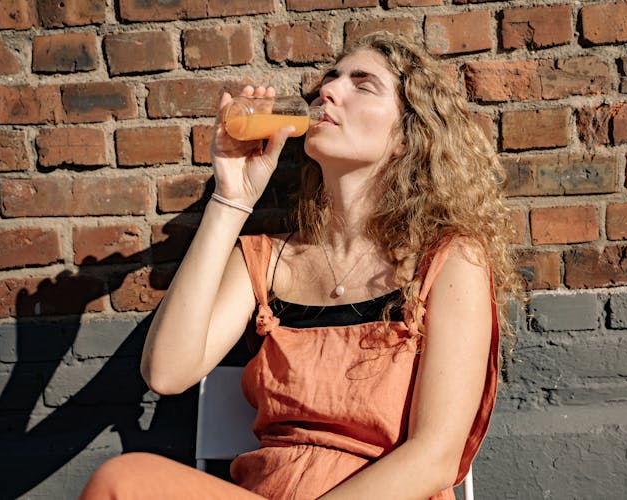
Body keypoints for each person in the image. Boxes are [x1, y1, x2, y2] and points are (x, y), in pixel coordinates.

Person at [80, 31, 519, 499]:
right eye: (329, 79)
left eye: (362, 84)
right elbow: (167, 373)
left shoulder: (449, 260)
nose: (328, 90)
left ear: (407, 136)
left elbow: (435, 458)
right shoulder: (268, 261)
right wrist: (232, 197)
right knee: (122, 482)